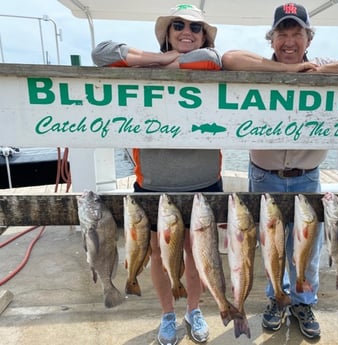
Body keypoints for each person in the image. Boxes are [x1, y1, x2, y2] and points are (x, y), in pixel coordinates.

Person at [222, 2, 338, 339]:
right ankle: (276, 299)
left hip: (308, 176)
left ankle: (303, 301)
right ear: (271, 39)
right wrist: (287, 74)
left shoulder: (322, 65)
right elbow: (229, 58)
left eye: (297, 32)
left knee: (308, 247)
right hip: (263, 176)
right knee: (271, 245)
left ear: (308, 39)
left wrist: (324, 71)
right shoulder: (260, 66)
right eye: (282, 32)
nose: (289, 41)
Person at [91, 4, 222, 345]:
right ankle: (167, 313)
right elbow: (100, 54)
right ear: (166, 33)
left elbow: (206, 59)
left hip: (203, 184)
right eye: (178, 25)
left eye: (196, 27)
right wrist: (158, 59)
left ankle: (194, 310)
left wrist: (164, 60)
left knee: (197, 258)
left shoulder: (209, 61)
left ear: (204, 35)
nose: (187, 32)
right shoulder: (147, 66)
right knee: (159, 259)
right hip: (152, 184)